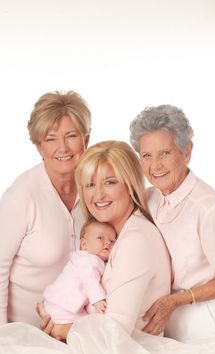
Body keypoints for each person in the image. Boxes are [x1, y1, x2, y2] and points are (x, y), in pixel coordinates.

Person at [37, 140, 171, 340]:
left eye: (110, 182)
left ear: (130, 184)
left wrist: (61, 329)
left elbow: (114, 332)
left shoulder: (135, 241)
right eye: (90, 184)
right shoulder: (111, 236)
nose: (98, 195)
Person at [129, 104, 215, 342]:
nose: (155, 166)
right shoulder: (150, 197)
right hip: (167, 317)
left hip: (206, 319)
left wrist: (176, 300)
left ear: (186, 152)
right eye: (147, 156)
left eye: (165, 153)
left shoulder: (208, 207)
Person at [0, 90, 91, 327]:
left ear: (86, 139)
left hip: (76, 329)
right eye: (51, 139)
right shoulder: (20, 197)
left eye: (71, 135)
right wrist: (4, 337)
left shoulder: (97, 190)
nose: (63, 148)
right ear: (39, 147)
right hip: (23, 331)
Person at [43, 219, 117, 324]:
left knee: (86, 325)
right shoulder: (89, 260)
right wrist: (98, 300)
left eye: (112, 241)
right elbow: (90, 279)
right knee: (88, 327)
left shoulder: (84, 259)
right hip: (62, 307)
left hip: (57, 303)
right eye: (100, 238)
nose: (107, 243)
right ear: (84, 244)